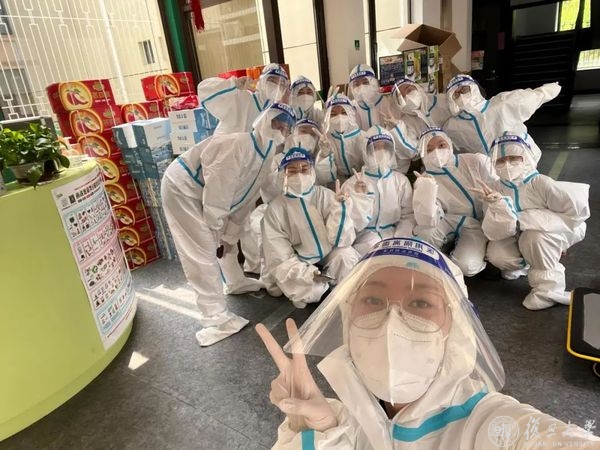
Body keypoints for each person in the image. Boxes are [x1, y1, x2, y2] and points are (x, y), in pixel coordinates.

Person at [256, 237, 600, 449]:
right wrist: (317, 429)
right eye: (373, 300)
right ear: (348, 318)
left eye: (420, 303)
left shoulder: (487, 423)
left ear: (455, 325)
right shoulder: (340, 419)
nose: (392, 323)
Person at [161, 103, 296, 346]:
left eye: (286, 127)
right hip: (182, 188)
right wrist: (214, 229)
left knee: (229, 237)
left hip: (208, 194)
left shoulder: (266, 155)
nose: (281, 129)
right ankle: (215, 318)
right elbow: (218, 192)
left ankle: (234, 281)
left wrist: (228, 234)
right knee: (201, 250)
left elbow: (246, 198)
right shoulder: (237, 144)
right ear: (264, 120)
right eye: (277, 122)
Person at [477, 134, 589, 310]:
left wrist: (524, 219)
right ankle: (529, 261)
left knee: (534, 238)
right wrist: (499, 208)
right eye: (501, 160)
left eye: (513, 158)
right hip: (516, 234)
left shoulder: (541, 183)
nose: (507, 164)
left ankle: (548, 290)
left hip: (547, 232)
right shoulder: (495, 188)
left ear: (526, 158)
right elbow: (495, 232)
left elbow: (574, 214)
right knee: (498, 256)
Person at [261, 148, 360, 309]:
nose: (299, 175)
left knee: (346, 257)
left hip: (328, 251)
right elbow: (278, 256)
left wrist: (340, 209)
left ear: (312, 171)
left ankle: (342, 294)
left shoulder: (325, 195)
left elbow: (342, 240)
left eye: (304, 169)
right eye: (292, 171)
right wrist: (306, 274)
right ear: (282, 175)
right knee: (310, 291)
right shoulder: (276, 209)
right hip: (298, 260)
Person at [412, 127, 496, 277]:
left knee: (467, 266)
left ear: (450, 144)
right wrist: (426, 190)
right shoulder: (425, 178)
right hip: (449, 219)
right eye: (429, 149)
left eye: (441, 145)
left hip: (479, 223)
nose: (436, 152)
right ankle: (438, 263)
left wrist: (493, 201)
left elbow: (498, 185)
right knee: (425, 235)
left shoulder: (475, 161)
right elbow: (428, 220)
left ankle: (462, 254)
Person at [443, 74, 561, 158]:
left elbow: (529, 97)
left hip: (519, 161)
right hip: (487, 172)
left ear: (474, 88)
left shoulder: (501, 104)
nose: (461, 96)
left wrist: (547, 90)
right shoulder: (453, 126)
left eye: (464, 90)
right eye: (456, 94)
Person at [342, 126, 415, 255]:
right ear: (365, 150)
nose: (381, 151)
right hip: (364, 238)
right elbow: (348, 220)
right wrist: (359, 196)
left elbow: (408, 215)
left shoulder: (401, 181)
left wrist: (400, 239)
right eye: (375, 147)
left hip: (395, 235)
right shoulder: (352, 183)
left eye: (385, 147)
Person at [197, 63, 290, 135]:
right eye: (272, 80)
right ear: (261, 81)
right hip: (225, 150)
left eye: (282, 84)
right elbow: (205, 90)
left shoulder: (276, 113)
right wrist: (233, 84)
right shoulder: (241, 98)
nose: (277, 86)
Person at [387, 77, 452, 173]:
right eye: (401, 97)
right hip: (432, 164)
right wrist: (397, 127)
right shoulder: (407, 121)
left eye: (409, 90)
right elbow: (413, 151)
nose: (407, 97)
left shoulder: (441, 101)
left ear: (417, 87)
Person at [315, 94, 366, 186]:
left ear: (350, 114)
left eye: (343, 112)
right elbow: (324, 177)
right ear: (327, 117)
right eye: (333, 114)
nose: (339, 117)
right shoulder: (325, 141)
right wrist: (324, 155)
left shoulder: (362, 137)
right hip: (337, 184)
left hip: (362, 181)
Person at [348, 64, 393, 130]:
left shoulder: (385, 102)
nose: (361, 87)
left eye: (365, 82)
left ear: (373, 83)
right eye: (357, 84)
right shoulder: (352, 107)